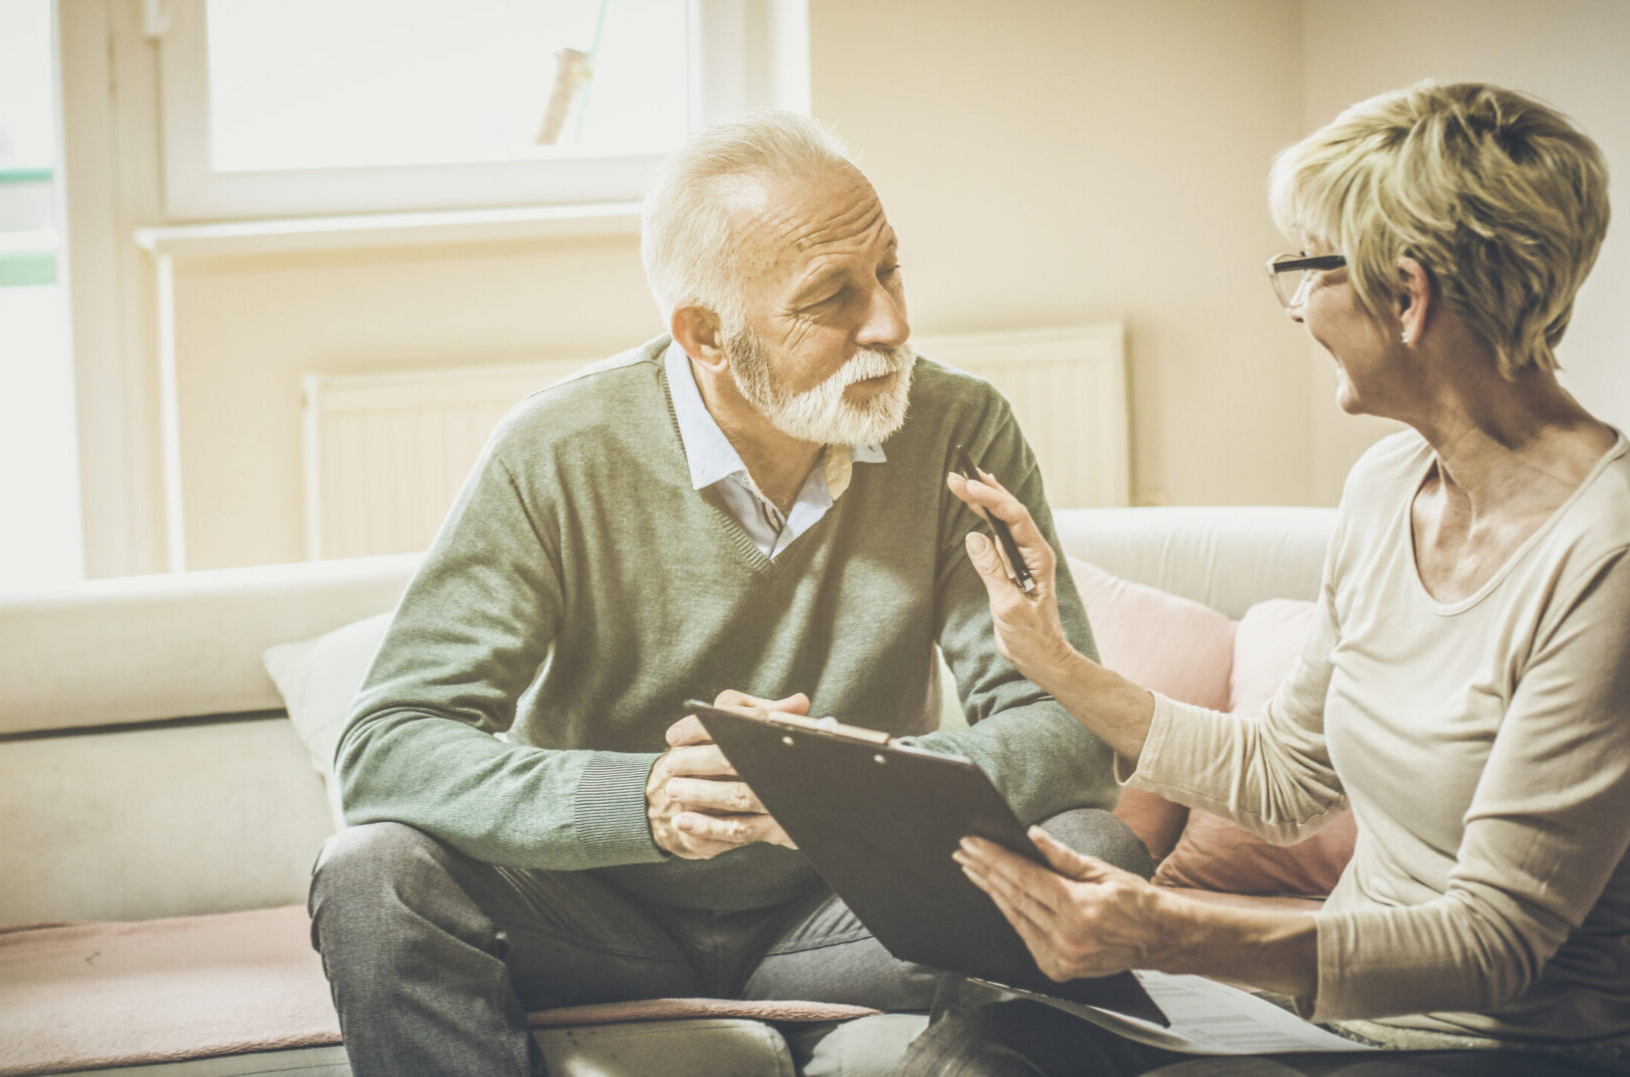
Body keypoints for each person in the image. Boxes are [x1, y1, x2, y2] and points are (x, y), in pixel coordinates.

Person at [903, 81, 1630, 1076]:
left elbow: (1495, 943)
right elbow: (1286, 777)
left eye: (1305, 269)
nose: (1295, 308)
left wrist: (1168, 932)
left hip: (1571, 1048)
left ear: (1408, 292)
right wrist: (1055, 659)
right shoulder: (1389, 487)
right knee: (991, 1037)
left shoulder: (1620, 557)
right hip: (1357, 1024)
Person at [306, 111, 1148, 1077]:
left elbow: (1068, 732)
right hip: (601, 918)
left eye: (889, 270)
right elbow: (387, 748)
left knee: (1094, 852)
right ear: (707, 334)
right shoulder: (558, 450)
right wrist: (644, 800)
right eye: (832, 297)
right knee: (372, 872)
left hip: (860, 911)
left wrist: (859, 786)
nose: (892, 323)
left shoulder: (958, 425)